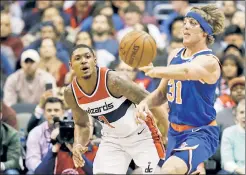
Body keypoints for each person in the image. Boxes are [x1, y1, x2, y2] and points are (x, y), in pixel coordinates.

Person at [137, 4, 225, 174]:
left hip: (201, 132)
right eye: (185, 22)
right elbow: (162, 94)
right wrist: (144, 103)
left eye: (192, 23)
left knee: (169, 170)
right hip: (174, 132)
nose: (185, 26)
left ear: (205, 32)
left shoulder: (209, 61)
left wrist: (155, 70)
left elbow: (187, 71)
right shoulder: (175, 54)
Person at [64, 44, 168, 174]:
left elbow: (152, 101)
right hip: (112, 139)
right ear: (71, 65)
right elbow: (82, 124)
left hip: (142, 135)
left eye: (87, 56)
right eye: (78, 58)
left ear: (95, 60)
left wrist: (168, 132)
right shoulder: (70, 93)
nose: (83, 60)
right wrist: (78, 144)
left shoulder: (114, 81)